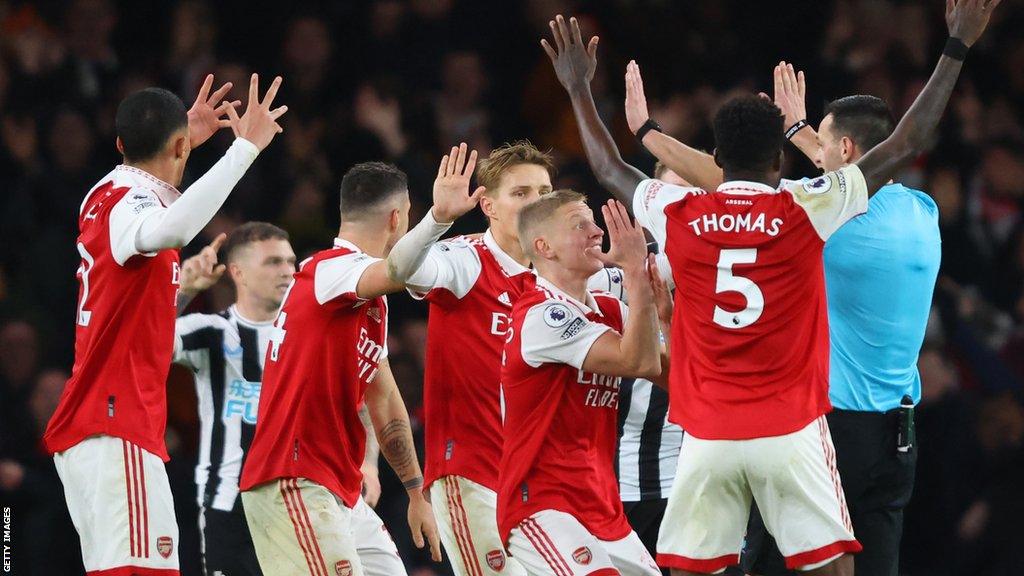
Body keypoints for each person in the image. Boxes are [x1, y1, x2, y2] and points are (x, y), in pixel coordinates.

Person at [542, 1, 997, 573]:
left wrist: (580, 90)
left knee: (689, 567)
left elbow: (609, 168)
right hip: (790, 427)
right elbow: (906, 143)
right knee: (834, 565)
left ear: (717, 159)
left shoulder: (680, 209)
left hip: (707, 432)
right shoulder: (806, 209)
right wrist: (956, 46)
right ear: (779, 160)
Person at [624, 60, 941, 576]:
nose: (810, 154)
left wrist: (648, 134)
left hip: (823, 428)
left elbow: (737, 185)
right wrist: (797, 135)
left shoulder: (821, 221)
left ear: (843, 153)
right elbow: (858, 168)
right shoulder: (921, 211)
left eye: (821, 144)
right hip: (898, 436)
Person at [42, 73, 286, 575]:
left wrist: (184, 290)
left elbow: (127, 311)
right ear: (178, 144)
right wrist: (242, 150)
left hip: (104, 426)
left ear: (118, 144)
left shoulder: (107, 192)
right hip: (117, 424)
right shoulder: (132, 199)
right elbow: (170, 226)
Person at [238, 144, 485, 576]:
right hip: (295, 478)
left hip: (340, 487)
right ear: (397, 218)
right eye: (409, 215)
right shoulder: (327, 271)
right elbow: (395, 272)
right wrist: (439, 219)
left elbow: (385, 399)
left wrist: (414, 491)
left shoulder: (368, 304)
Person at [385, 141, 623, 576]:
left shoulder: (570, 272)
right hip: (472, 474)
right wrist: (438, 218)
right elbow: (399, 270)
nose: (538, 202)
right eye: (521, 193)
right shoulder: (466, 260)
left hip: (544, 484)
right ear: (489, 206)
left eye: (545, 191)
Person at [499, 192, 666, 576]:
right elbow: (637, 361)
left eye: (593, 223)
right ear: (545, 247)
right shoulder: (543, 314)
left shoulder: (608, 309)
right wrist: (636, 275)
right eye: (580, 225)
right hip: (543, 503)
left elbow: (673, 375)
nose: (596, 232)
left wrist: (666, 321)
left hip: (600, 502)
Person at [616, 163, 685, 576]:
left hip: (702, 478)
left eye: (687, 196)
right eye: (666, 196)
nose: (675, 209)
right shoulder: (612, 281)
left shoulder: (726, 283)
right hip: (626, 482)